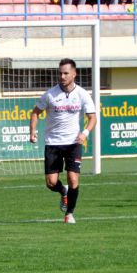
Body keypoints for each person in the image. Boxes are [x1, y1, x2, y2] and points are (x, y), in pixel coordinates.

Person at [29, 59, 96, 224]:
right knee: (51, 183)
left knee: (73, 179)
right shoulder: (50, 94)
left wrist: (85, 133)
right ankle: (63, 191)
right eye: (60, 73)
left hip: (74, 143)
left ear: (74, 74)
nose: (62, 76)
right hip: (53, 143)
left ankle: (69, 214)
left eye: (66, 73)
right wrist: (33, 132)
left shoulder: (82, 94)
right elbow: (35, 113)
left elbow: (92, 117)